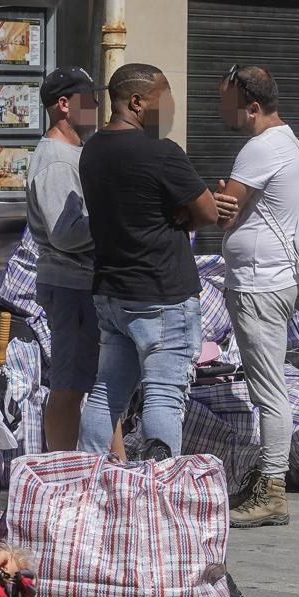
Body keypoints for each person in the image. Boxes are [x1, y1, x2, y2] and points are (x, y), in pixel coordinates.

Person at [76, 63, 218, 458]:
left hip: (112, 295)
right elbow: (207, 212)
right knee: (163, 397)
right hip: (162, 296)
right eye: (164, 100)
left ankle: (87, 482)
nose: (169, 110)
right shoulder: (162, 154)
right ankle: (158, 492)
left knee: (106, 392)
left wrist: (181, 209)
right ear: (137, 101)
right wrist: (186, 210)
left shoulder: (92, 151)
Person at [212, 65, 299, 528]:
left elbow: (223, 215)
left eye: (227, 101)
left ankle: (272, 490)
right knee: (268, 385)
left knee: (269, 389)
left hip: (258, 282)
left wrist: (211, 202)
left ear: (252, 105)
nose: (221, 110)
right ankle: (268, 481)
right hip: (274, 277)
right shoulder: (287, 140)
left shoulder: (259, 148)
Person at [25, 66, 122, 455]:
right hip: (71, 286)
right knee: (69, 385)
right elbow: (65, 233)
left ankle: (116, 465)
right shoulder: (57, 160)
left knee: (102, 383)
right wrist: (114, 222)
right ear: (64, 105)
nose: (97, 105)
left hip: (82, 284)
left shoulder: (73, 153)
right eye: (89, 98)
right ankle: (62, 471)